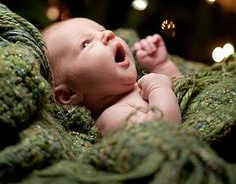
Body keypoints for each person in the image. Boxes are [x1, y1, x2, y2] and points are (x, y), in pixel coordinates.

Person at [42, 17, 182, 136]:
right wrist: (159, 89)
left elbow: (183, 92)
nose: (108, 34)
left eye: (102, 30)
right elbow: (164, 135)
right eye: (86, 43)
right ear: (68, 94)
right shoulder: (113, 117)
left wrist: (162, 66)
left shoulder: (138, 85)